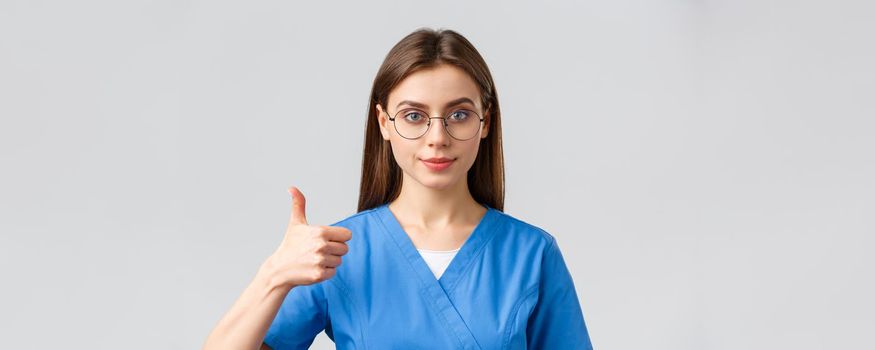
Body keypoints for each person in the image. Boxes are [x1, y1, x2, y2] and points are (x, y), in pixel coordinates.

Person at [203, 27, 593, 350]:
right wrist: (274, 275)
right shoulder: (340, 253)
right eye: (413, 116)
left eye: (459, 115)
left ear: (485, 122)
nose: (437, 137)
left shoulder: (531, 255)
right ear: (384, 123)